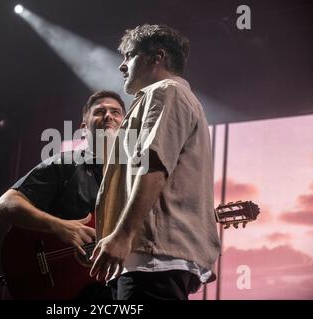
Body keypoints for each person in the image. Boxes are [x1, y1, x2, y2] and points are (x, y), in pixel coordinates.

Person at [89, 24, 221, 300]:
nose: (122, 66)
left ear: (156, 57)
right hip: (147, 261)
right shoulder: (163, 97)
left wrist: (123, 235)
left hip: (151, 261)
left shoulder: (165, 91)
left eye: (129, 56)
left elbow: (153, 165)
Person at [0, 90, 125, 299]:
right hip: (67, 293)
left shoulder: (137, 178)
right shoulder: (65, 163)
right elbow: (6, 204)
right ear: (83, 129)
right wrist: (59, 226)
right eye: (99, 112)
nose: (108, 116)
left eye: (116, 112)